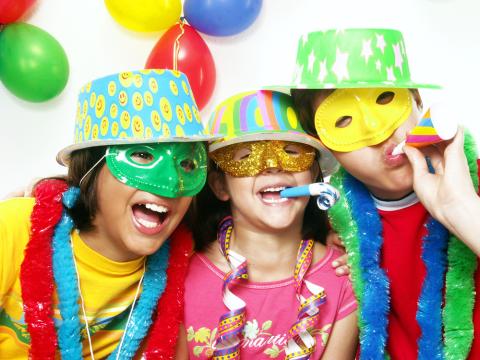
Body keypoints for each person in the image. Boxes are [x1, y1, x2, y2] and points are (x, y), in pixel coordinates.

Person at [289, 28, 480, 359]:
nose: (379, 134)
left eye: (385, 99)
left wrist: (461, 211)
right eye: (344, 120)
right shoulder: (337, 220)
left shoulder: (474, 179)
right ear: (324, 143)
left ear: (416, 98)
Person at [0, 69, 213, 359]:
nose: (169, 185)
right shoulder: (14, 227)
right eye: (142, 155)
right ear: (89, 168)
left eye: (187, 164)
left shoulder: (177, 267)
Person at [178, 90, 358, 359]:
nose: (273, 166)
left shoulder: (345, 278)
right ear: (219, 185)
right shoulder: (180, 278)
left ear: (313, 174)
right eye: (246, 156)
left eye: (291, 151)